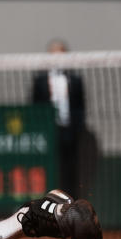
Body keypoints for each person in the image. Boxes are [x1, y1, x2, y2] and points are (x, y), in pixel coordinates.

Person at [30, 38, 86, 194]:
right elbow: (35, 107)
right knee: (47, 168)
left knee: (69, 169)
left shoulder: (75, 80)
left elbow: (80, 107)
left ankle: (70, 203)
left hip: (69, 131)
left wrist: (78, 128)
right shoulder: (39, 80)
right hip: (47, 131)